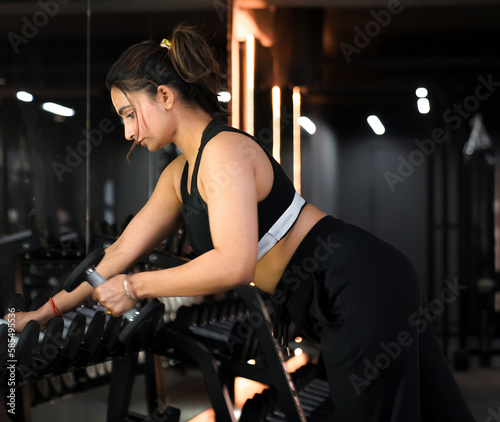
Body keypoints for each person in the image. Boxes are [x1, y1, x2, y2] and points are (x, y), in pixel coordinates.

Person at [9, 24, 476, 421]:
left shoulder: (225, 152)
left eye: (131, 113)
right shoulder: (179, 174)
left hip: (357, 281)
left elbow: (234, 263)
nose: (129, 131)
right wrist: (44, 313)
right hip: (337, 291)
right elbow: (116, 255)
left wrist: (135, 288)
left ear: (165, 96)